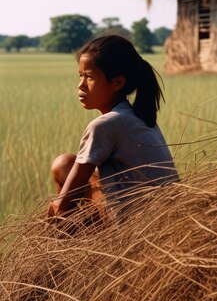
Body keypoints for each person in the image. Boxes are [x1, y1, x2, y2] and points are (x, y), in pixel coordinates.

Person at [48, 34, 178, 218]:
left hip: (133, 222)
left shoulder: (103, 126)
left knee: (62, 165)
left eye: (90, 77)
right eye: (81, 76)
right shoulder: (137, 116)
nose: (81, 85)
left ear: (117, 82)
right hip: (164, 214)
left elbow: (62, 204)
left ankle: (77, 237)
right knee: (68, 163)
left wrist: (55, 213)